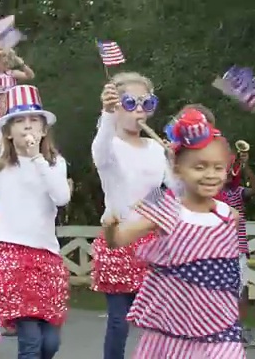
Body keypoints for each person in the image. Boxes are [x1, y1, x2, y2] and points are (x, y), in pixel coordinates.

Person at [0, 53, 71, 359]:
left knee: (50, 344)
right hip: (11, 257)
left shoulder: (55, 163)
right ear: (7, 130)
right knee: (30, 342)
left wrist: (37, 159)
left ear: (44, 129)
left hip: (48, 259)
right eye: (20, 121)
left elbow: (61, 197)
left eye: (34, 120)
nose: (28, 126)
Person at [102, 110, 245, 358]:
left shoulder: (228, 215)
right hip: (172, 327)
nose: (210, 175)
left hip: (220, 328)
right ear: (178, 169)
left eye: (218, 168)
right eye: (199, 167)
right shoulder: (164, 204)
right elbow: (119, 241)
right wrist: (111, 228)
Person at [91, 72, 170, 359]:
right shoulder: (109, 147)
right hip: (119, 240)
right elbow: (100, 151)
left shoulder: (156, 149)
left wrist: (177, 164)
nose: (139, 109)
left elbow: (166, 190)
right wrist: (106, 113)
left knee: (159, 323)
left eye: (147, 103)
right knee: (119, 321)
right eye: (130, 102)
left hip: (152, 243)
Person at [223, 146, 255, 348]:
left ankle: (240, 328)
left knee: (242, 289)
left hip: (238, 249)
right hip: (218, 249)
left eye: (231, 170)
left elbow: (254, 189)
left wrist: (245, 166)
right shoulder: (211, 194)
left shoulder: (237, 193)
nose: (228, 174)